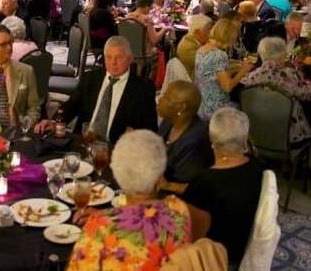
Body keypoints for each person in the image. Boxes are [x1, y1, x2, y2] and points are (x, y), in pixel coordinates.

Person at [67, 130, 192, 270]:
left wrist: (103, 219)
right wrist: (109, 216)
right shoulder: (179, 210)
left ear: (116, 173)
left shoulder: (99, 230)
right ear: (160, 174)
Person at [35, 36, 158, 144]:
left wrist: (137, 136)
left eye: (119, 57)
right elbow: (72, 105)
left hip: (116, 149)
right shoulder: (91, 78)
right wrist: (54, 121)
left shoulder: (143, 89)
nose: (113, 62)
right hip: (84, 142)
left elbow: (151, 130)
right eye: (108, 57)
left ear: (130, 59)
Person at [183, 108, 264, 267]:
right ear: (245, 139)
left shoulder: (204, 180)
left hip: (215, 259)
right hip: (244, 249)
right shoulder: (258, 168)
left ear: (211, 139)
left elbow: (192, 231)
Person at [242, 37, 311, 146]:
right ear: (282, 54)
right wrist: (304, 80)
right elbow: (306, 94)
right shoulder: (287, 76)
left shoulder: (252, 76)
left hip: (258, 134)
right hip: (289, 135)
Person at [194, 19, 255, 120]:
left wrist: (234, 69)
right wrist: (243, 71)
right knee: (247, 109)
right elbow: (227, 87)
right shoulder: (219, 55)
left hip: (202, 105)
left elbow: (211, 75)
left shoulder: (201, 49)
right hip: (216, 108)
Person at [157, 81, 213, 184]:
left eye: (167, 98)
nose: (160, 100)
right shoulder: (168, 122)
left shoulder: (195, 141)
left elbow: (185, 186)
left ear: (181, 107)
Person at [176, 14, 213, 79]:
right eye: (208, 30)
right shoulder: (187, 47)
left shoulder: (200, 41)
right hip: (190, 84)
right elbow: (211, 65)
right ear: (197, 32)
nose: (211, 33)